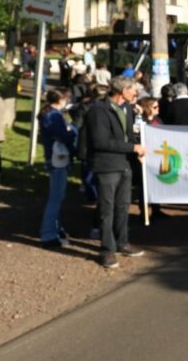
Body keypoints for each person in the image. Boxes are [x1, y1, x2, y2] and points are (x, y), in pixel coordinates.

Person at [85, 76, 146, 268]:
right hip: (107, 166)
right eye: (133, 89)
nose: (136, 92)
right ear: (122, 91)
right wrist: (132, 148)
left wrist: (137, 152)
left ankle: (122, 242)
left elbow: (128, 135)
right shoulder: (99, 110)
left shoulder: (127, 108)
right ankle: (107, 250)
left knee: (123, 206)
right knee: (106, 208)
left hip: (125, 164)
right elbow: (100, 142)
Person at [39, 90, 78, 248]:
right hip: (58, 159)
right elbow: (65, 136)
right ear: (62, 99)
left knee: (56, 196)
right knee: (56, 197)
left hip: (53, 157)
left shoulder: (47, 113)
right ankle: (48, 234)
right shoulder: (54, 115)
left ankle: (55, 229)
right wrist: (72, 130)